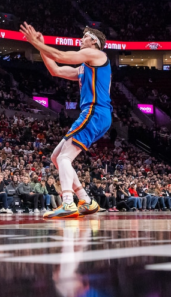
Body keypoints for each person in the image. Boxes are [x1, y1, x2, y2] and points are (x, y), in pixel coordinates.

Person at [20, 24, 110, 219]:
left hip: (95, 111)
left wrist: (35, 43)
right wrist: (41, 46)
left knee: (64, 158)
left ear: (94, 41)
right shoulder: (84, 67)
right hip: (93, 113)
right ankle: (85, 199)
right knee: (56, 157)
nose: (80, 39)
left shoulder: (97, 56)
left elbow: (61, 56)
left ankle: (68, 203)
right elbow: (55, 69)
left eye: (85, 36)